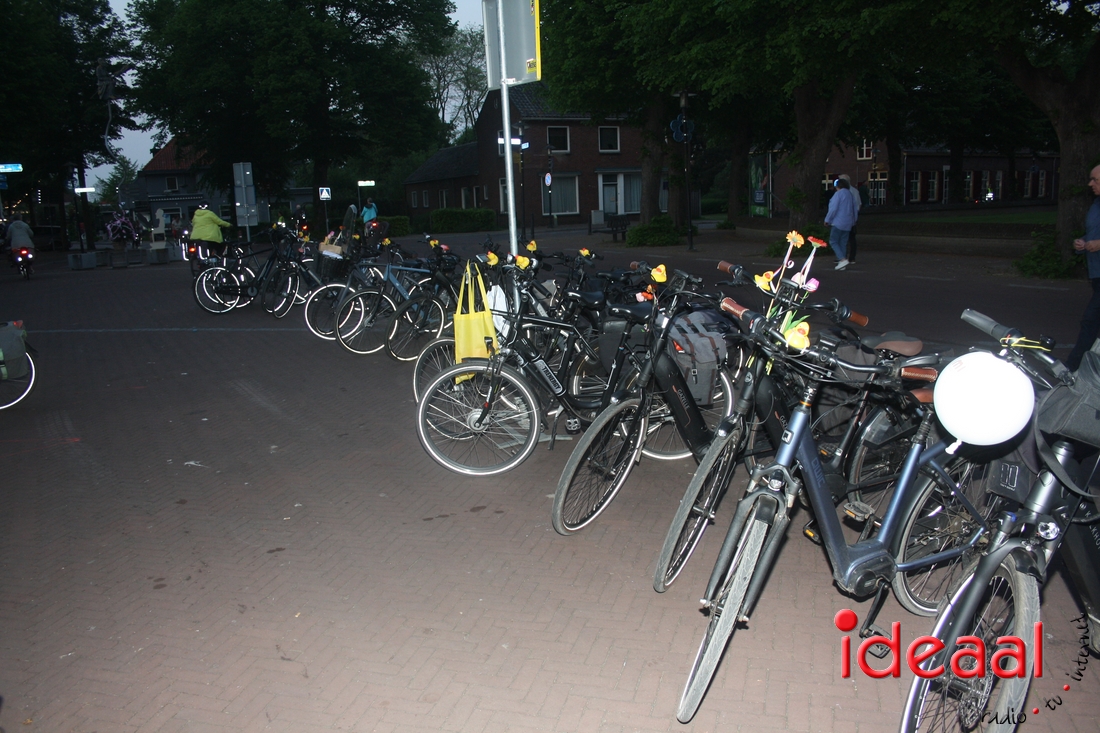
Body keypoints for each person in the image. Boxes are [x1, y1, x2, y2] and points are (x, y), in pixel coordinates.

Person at [1065, 164, 1100, 371]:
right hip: (1096, 273)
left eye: (1095, 180)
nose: (1090, 184)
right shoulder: (1096, 205)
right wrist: (1082, 242)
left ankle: (1072, 368)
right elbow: (1093, 234)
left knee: (1090, 320)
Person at [825, 177, 859, 270]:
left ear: (838, 186)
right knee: (843, 242)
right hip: (848, 223)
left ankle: (842, 259)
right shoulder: (850, 195)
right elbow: (854, 209)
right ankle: (842, 262)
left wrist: (827, 220)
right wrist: (854, 221)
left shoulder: (838, 194)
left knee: (833, 241)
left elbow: (833, 209)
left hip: (838, 222)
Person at [840, 174, 861, 263]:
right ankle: (851, 257)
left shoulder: (841, 192)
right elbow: (858, 205)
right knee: (851, 239)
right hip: (851, 219)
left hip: (843, 219)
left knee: (842, 238)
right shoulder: (855, 191)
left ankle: (843, 257)